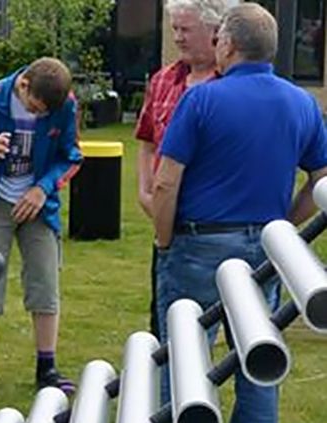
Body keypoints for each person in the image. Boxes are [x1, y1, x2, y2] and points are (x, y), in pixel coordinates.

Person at [151, 2, 327, 423]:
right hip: (264, 252)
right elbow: (320, 181)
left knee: (186, 358)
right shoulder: (301, 105)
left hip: (200, 244)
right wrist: (283, 228)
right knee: (259, 363)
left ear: (226, 45)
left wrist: (165, 240)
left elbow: (167, 181)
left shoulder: (203, 101)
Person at [0, 57, 82, 396]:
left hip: (39, 203)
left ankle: (47, 366)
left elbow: (71, 156)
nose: (40, 117)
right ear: (23, 85)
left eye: (45, 114)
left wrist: (42, 188)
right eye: (35, 109)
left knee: (45, 280)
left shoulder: (65, 104)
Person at [135, 0, 226, 336]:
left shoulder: (230, 83)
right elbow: (146, 140)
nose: (178, 37)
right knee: (168, 327)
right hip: (167, 223)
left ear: (216, 31)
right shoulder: (163, 80)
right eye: (174, 29)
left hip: (215, 222)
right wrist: (145, 191)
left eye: (185, 29)